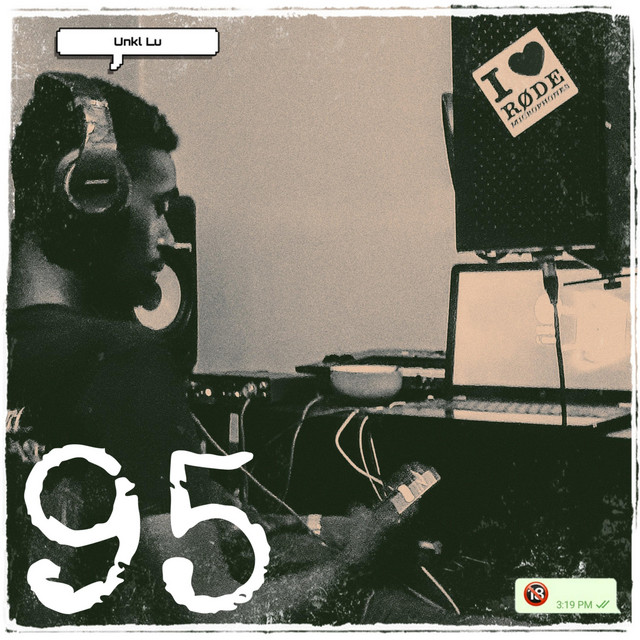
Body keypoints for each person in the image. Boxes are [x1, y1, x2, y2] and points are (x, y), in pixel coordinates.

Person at [6, 72, 447, 627]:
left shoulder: (25, 352)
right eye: (159, 206)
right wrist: (355, 562)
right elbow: (216, 620)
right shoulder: (124, 360)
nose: (168, 236)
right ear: (93, 197)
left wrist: (319, 530)